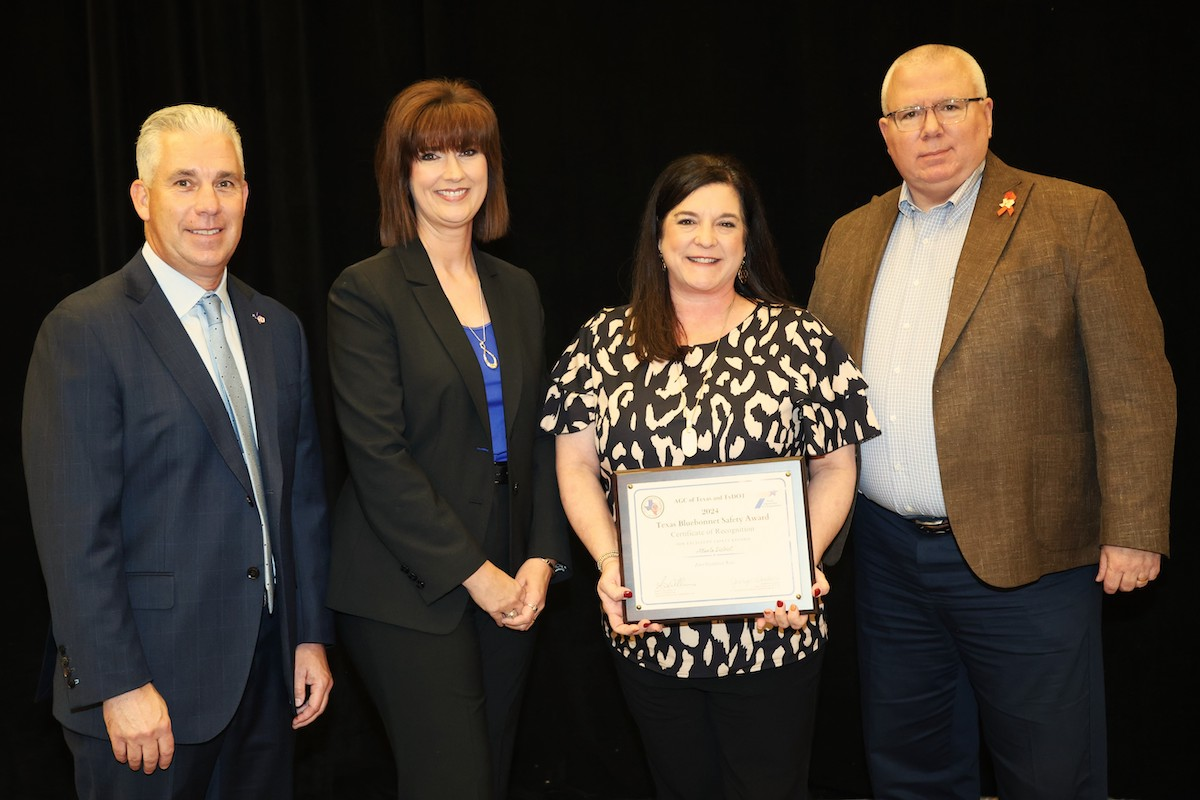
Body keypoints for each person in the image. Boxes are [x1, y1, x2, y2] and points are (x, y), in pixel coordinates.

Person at [807, 44, 1177, 800]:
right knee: (910, 770)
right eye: (910, 113)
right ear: (886, 133)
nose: (931, 127)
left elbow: (1135, 384)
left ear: (987, 115)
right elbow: (811, 394)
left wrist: (1135, 525)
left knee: (1051, 776)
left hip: (1030, 557)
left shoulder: (1074, 216)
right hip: (884, 558)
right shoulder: (851, 235)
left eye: (951, 106)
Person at [541, 153, 880, 800]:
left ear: (747, 240)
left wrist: (797, 560)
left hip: (772, 633)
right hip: (652, 635)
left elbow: (837, 467)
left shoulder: (799, 339)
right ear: (659, 237)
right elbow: (576, 465)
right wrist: (612, 564)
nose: (706, 239)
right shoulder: (602, 342)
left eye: (726, 223)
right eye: (688, 220)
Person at [22, 103, 334, 799]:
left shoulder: (276, 328)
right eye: (184, 183)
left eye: (226, 183)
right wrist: (118, 682)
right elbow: (74, 532)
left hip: (266, 678)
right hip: (144, 694)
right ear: (142, 197)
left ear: (247, 195)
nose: (209, 206)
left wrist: (307, 635)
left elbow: (301, 500)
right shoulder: (84, 330)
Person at [325, 78, 570, 800]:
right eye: (429, 155)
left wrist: (539, 558)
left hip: (509, 567)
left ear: (491, 166)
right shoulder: (365, 292)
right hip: (407, 582)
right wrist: (479, 574)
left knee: (488, 777)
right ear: (401, 173)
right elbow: (378, 459)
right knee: (452, 782)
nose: (453, 171)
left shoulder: (517, 288)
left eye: (469, 151)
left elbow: (541, 438)